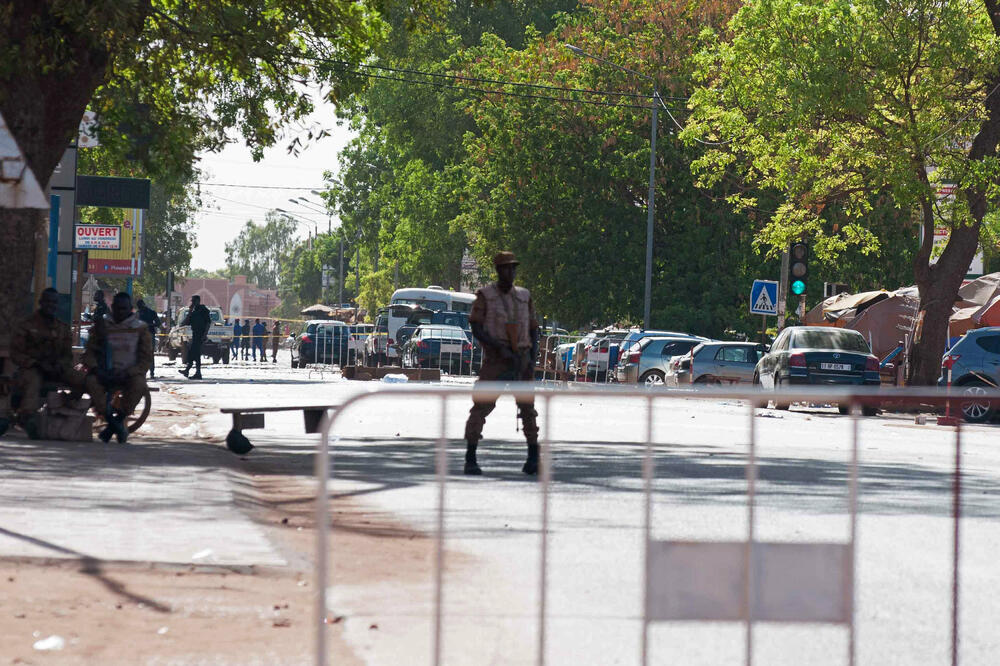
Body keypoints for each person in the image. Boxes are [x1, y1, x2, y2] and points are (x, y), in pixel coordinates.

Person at [463, 251, 540, 476]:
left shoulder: (524, 296)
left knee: (528, 409)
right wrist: (498, 348)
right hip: (497, 360)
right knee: (481, 407)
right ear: (498, 271)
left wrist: (531, 357)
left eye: (513, 268)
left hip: (521, 359)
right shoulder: (485, 296)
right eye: (506, 268)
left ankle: (533, 457)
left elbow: (534, 328)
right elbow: (476, 327)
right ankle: (471, 457)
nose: (511, 272)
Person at [7, 288, 85, 438]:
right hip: (32, 368)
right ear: (41, 303)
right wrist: (35, 363)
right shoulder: (26, 325)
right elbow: (16, 353)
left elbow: (67, 355)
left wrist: (59, 366)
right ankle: (27, 418)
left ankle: (72, 408)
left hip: (56, 369)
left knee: (84, 380)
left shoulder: (62, 328)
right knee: (32, 380)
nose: (51, 305)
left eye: (54, 302)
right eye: (48, 301)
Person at [82, 292, 153, 443]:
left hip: (128, 374)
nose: (121, 312)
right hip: (104, 373)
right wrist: (97, 369)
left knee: (140, 384)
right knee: (91, 382)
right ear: (112, 308)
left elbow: (146, 359)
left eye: (124, 308)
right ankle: (112, 421)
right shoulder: (102, 326)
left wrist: (130, 373)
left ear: (130, 309)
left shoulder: (140, 329)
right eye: (118, 308)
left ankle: (116, 422)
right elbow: (89, 353)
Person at [179, 295, 211, 379]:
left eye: (193, 301)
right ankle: (190, 371)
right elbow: (184, 323)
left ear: (198, 301)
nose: (192, 303)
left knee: (195, 353)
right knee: (193, 353)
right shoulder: (193, 312)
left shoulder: (203, 310)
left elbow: (208, 323)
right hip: (195, 334)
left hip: (200, 335)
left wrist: (205, 335)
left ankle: (194, 372)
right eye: (192, 301)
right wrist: (190, 311)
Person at [135, 299, 161, 379]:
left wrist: (148, 324)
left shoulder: (151, 312)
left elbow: (158, 323)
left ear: (143, 304)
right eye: (139, 307)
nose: (140, 308)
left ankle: (152, 372)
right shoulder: (137, 313)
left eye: (141, 306)